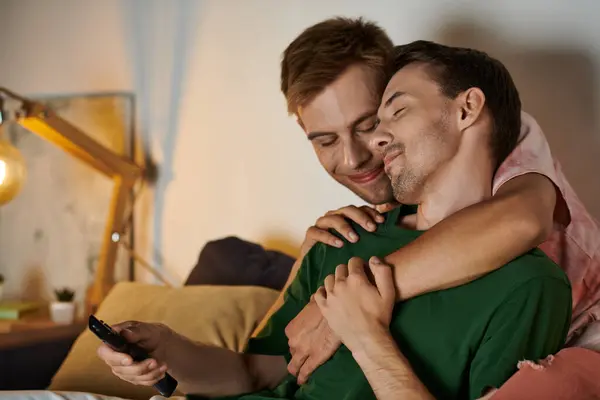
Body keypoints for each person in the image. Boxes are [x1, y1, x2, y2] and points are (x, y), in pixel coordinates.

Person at [97, 40, 572, 400]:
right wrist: (166, 347)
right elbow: (254, 372)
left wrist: (364, 335)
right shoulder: (341, 236)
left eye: (388, 116)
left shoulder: (530, 284)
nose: (372, 143)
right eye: (325, 139)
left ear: (467, 108)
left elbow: (523, 217)